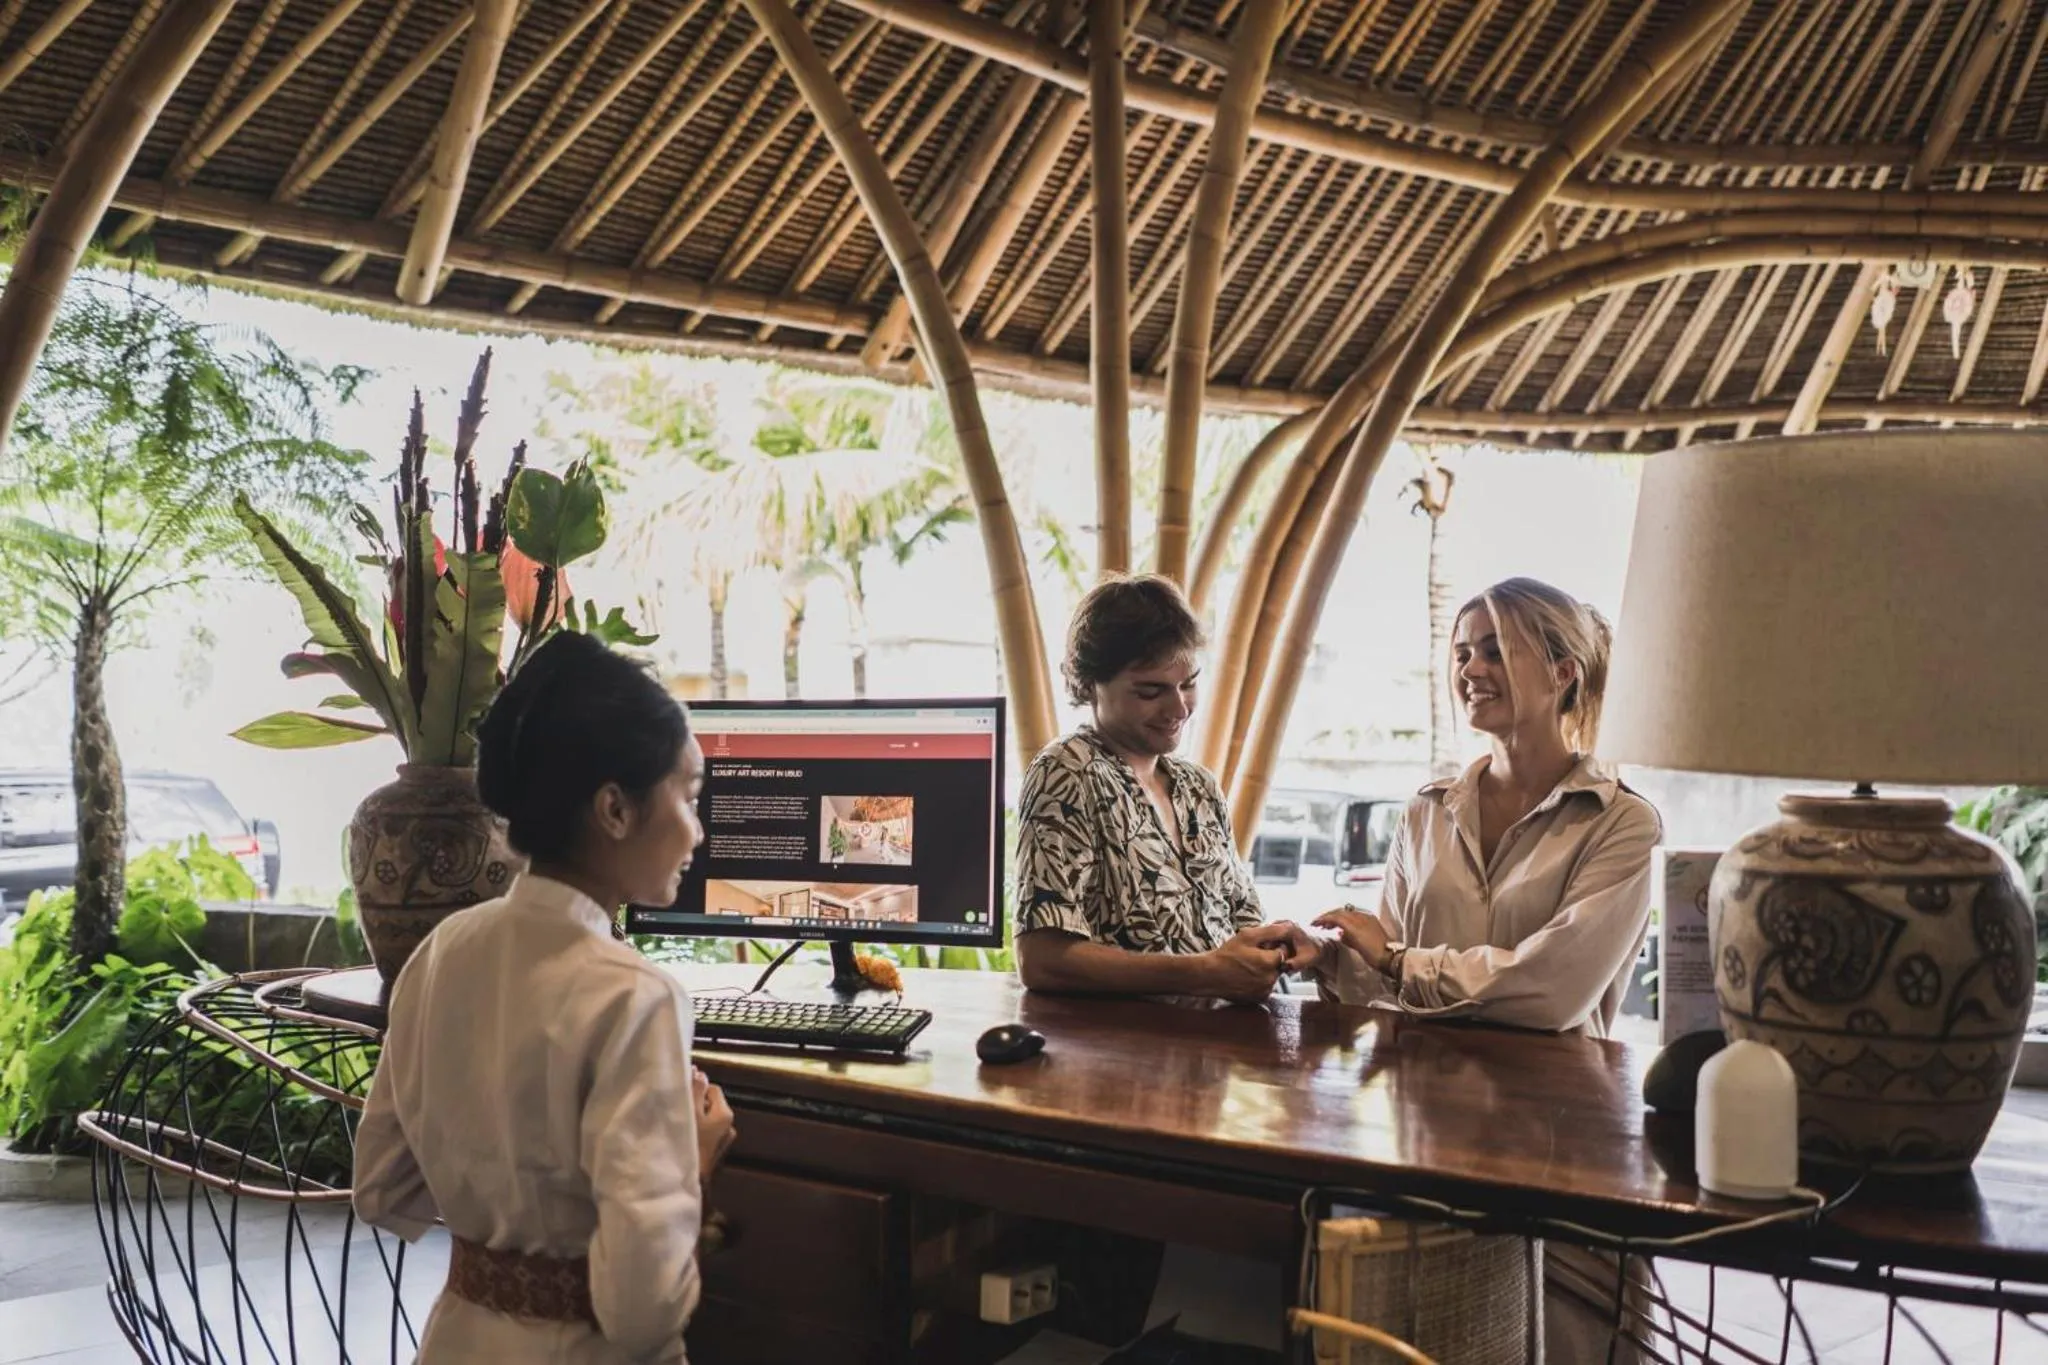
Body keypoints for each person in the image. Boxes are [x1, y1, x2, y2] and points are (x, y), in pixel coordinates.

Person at [354, 631, 735, 1364]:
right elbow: (641, 1312)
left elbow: (378, 1186)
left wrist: (500, 1225)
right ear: (615, 809)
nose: (698, 829)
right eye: (688, 797)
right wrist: (693, 1158)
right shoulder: (636, 998)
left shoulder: (440, 952)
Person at [1306, 577, 1661, 1037]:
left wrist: (1397, 960)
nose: (1471, 670)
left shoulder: (1622, 822)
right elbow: (1384, 979)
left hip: (1553, 1100)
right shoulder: (1424, 812)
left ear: (1563, 672)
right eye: (1462, 654)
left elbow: (1552, 993)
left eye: (1495, 652)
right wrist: (1325, 955)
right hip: (1422, 1096)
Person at [1014, 574, 1315, 1000]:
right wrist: (1204, 973)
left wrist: (1284, 946)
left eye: (1189, 684)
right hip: (1128, 1053)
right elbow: (1041, 959)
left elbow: (1243, 924)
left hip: (1219, 1053)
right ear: (1090, 686)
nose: (1178, 708)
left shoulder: (1199, 787)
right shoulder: (1068, 773)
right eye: (1151, 691)